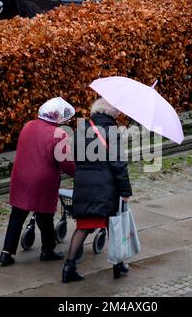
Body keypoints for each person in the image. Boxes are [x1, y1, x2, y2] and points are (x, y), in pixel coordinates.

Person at [62, 97, 132, 283]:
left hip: (83, 184)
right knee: (114, 227)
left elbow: (73, 156)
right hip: (105, 187)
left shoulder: (81, 129)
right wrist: (125, 192)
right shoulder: (112, 131)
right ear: (112, 113)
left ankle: (68, 267)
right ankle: (118, 265)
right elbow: (119, 165)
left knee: (84, 226)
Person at [0, 97, 76, 266]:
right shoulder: (59, 134)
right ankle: (47, 249)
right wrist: (78, 173)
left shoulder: (28, 126)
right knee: (45, 215)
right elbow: (66, 162)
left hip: (21, 177)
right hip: (42, 181)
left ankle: (6, 252)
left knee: (17, 215)